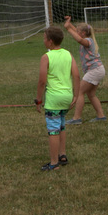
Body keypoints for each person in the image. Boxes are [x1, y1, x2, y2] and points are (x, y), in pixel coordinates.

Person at [34, 25, 80, 171]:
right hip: (67, 96)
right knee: (61, 125)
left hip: (54, 99)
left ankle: (54, 163)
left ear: (50, 41)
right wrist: (76, 95)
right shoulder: (68, 54)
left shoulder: (46, 57)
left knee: (53, 130)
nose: (43, 41)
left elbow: (42, 81)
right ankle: (62, 154)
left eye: (44, 38)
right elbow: (77, 75)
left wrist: (39, 100)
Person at [63, 16, 106, 124]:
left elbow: (79, 39)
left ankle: (76, 118)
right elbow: (78, 34)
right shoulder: (87, 38)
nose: (76, 33)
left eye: (78, 31)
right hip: (98, 70)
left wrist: (68, 29)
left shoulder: (87, 41)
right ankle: (101, 116)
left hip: (94, 70)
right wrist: (69, 24)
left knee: (79, 92)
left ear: (83, 33)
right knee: (91, 94)